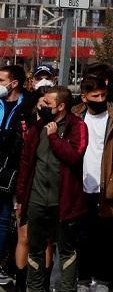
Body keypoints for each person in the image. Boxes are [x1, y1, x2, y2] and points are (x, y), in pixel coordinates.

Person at [15, 85, 87, 292]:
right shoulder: (36, 128)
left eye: (48, 103)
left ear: (61, 106)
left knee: (66, 250)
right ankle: (35, 288)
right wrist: (21, 198)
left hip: (65, 202)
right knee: (35, 249)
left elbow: (74, 156)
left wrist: (55, 137)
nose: (43, 105)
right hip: (37, 200)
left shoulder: (77, 125)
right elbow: (26, 164)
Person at [74, 75, 113, 292]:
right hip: (80, 186)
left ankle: (102, 278)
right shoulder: (75, 116)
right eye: (95, 96)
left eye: (103, 95)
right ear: (84, 97)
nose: (100, 99)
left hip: (107, 186)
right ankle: (82, 278)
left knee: (105, 237)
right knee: (81, 236)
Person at [0, 64, 33, 287]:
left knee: (5, 220)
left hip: (13, 170)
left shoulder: (28, 105)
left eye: (1, 80)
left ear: (14, 83)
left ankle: (4, 265)